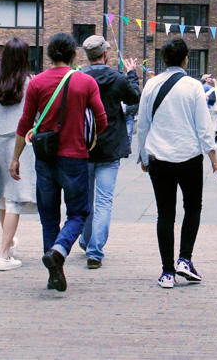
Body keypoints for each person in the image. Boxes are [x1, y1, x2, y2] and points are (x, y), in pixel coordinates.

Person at [10, 33, 107, 292]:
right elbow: (102, 120)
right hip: (75, 157)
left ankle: (54, 270)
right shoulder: (86, 82)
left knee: (49, 216)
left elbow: (25, 123)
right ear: (74, 55)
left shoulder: (36, 83)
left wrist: (15, 158)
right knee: (78, 212)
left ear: (49, 55)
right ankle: (60, 249)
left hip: (45, 157)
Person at [135, 37, 217, 289]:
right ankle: (185, 259)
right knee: (193, 208)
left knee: (165, 214)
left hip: (158, 158)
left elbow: (142, 125)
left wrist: (143, 156)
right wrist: (215, 160)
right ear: (186, 59)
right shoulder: (194, 86)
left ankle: (166, 272)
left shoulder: (151, 85)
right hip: (189, 158)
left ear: (163, 59)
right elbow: (204, 127)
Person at [78, 35, 141, 270]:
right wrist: (132, 73)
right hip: (110, 147)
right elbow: (134, 97)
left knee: (85, 199)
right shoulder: (117, 79)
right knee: (104, 201)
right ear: (105, 54)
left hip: (83, 146)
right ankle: (95, 251)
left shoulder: (78, 78)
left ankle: (85, 240)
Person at [0, 39, 38, 272]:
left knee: (4, 197)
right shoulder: (29, 83)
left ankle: (9, 241)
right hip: (19, 144)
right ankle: (4, 255)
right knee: (14, 198)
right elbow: (36, 115)